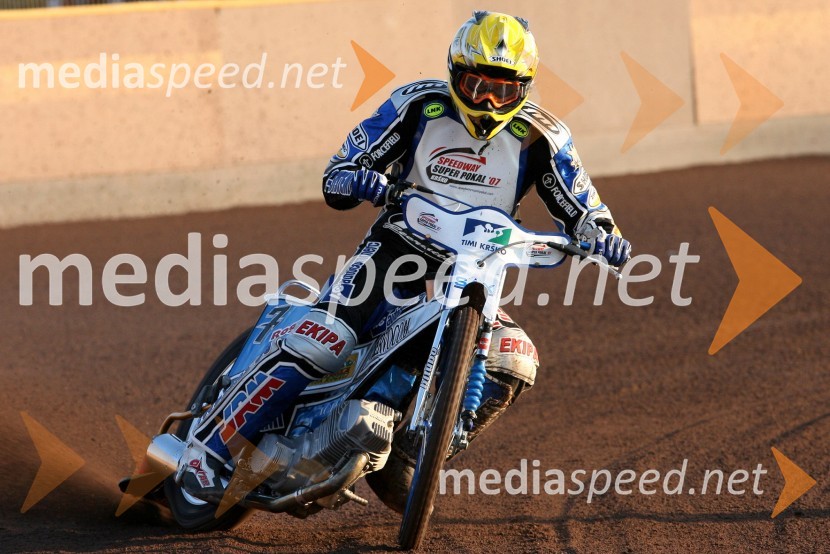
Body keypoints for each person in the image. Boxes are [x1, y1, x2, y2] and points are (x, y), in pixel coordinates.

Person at [179, 11, 632, 507]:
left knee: (515, 358)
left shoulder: (542, 137)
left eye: (503, 90)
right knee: (325, 338)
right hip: (394, 252)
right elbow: (339, 173)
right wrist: (363, 180)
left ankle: (413, 453)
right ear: (454, 71)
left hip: (476, 272)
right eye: (476, 83)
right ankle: (211, 449)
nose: (486, 101)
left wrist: (603, 235)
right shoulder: (419, 104)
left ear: (525, 88)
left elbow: (583, 206)